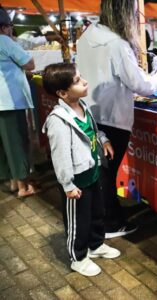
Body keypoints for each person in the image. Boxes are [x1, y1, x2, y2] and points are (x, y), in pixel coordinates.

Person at [76, 0, 157, 239]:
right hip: (112, 118)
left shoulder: (87, 36)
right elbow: (141, 85)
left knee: (101, 171)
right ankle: (110, 223)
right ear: (124, 13)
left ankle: (107, 218)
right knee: (106, 174)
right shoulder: (117, 44)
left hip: (91, 111)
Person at [42, 62, 120, 277]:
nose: (84, 81)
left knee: (97, 213)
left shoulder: (82, 106)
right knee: (78, 221)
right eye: (77, 81)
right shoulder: (58, 121)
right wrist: (67, 184)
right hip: (76, 182)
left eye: (80, 77)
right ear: (62, 92)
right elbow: (60, 157)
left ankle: (95, 245)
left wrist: (103, 140)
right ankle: (78, 257)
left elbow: (92, 131)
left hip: (92, 173)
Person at [0, 6, 39, 198]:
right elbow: (29, 63)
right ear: (4, 27)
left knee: (5, 143)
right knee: (17, 142)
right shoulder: (4, 40)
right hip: (10, 101)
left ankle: (14, 181)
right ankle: (24, 187)